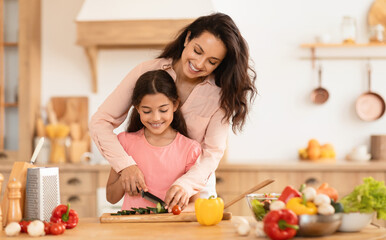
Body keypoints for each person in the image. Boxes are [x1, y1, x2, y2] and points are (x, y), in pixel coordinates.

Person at [90, 12, 256, 211]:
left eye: (212, 61)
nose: (200, 64)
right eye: (197, 50)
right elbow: (100, 121)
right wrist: (124, 165)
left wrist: (185, 185)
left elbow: (212, 152)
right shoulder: (146, 72)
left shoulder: (220, 96)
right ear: (187, 38)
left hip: (195, 200)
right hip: (143, 203)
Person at [106, 70, 201, 211]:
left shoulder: (190, 149)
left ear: (175, 105)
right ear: (137, 108)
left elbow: (196, 204)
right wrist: (124, 177)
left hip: (172, 229)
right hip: (132, 229)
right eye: (147, 111)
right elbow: (111, 198)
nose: (156, 118)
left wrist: (176, 208)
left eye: (163, 110)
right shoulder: (125, 142)